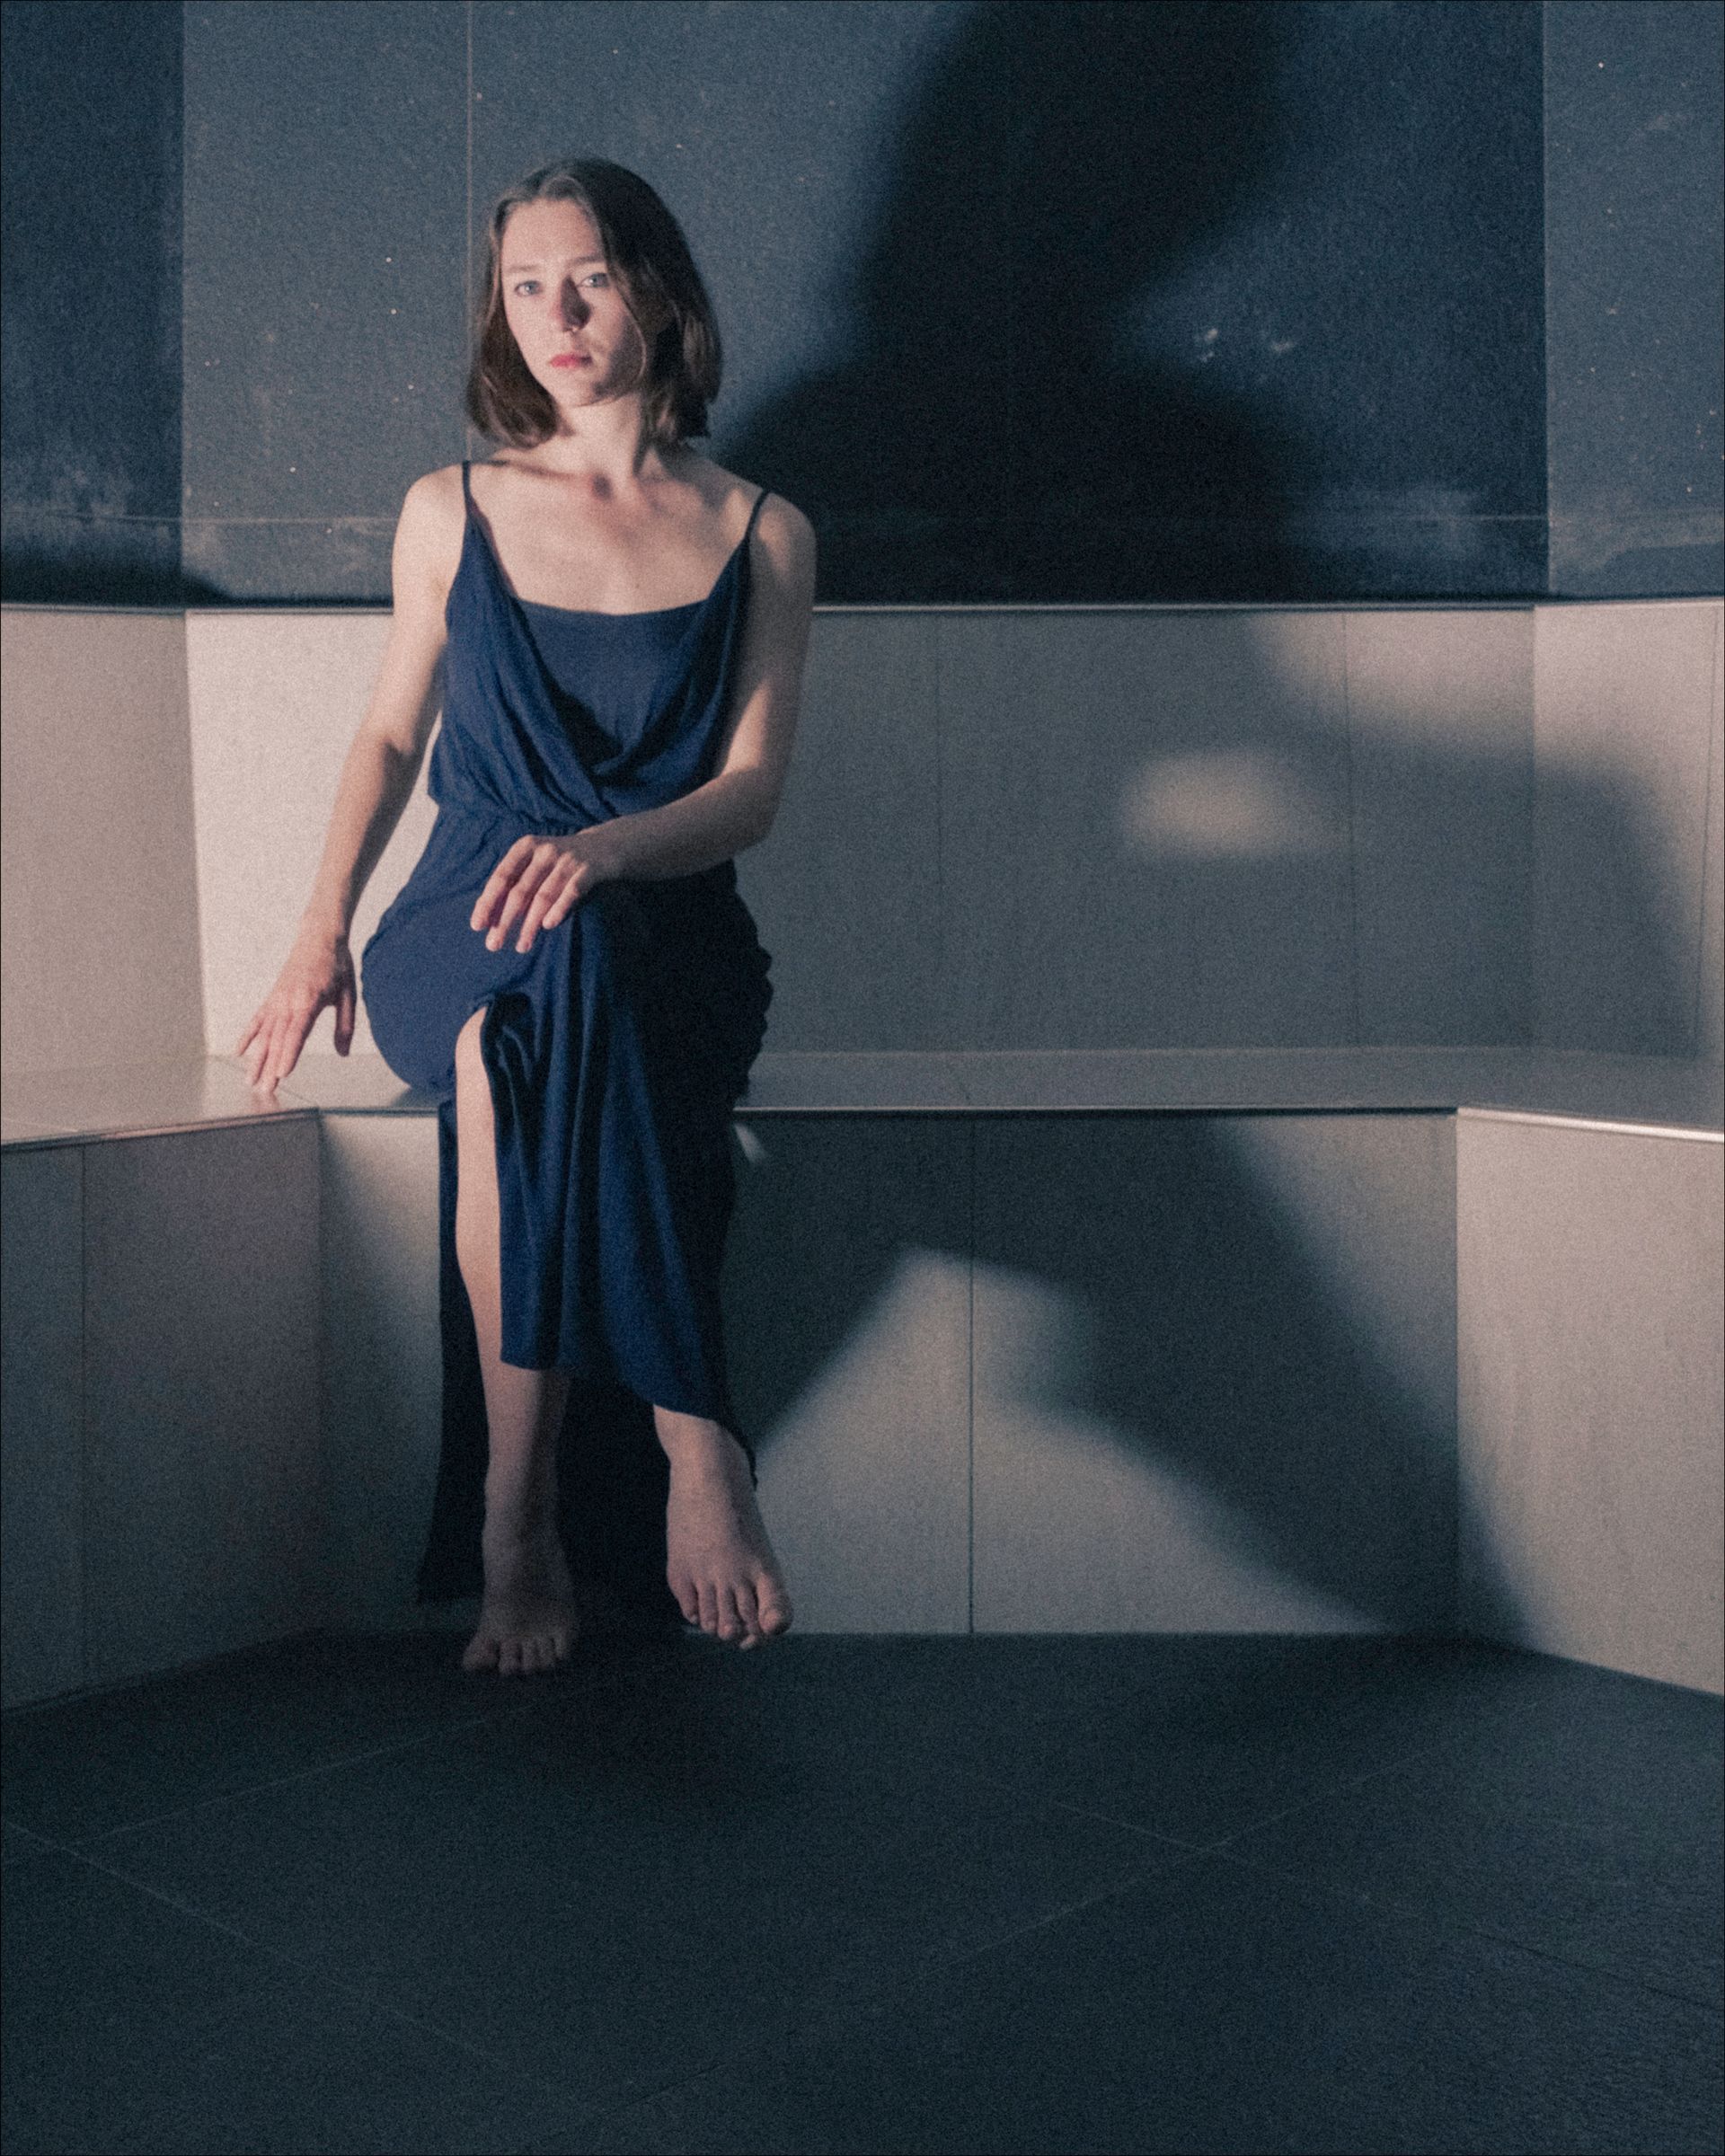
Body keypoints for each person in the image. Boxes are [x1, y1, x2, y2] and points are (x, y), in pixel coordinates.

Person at [234, 155, 816, 1677]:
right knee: (529, 994)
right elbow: (385, 740)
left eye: (590, 279)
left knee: (539, 1031)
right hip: (457, 919)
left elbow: (751, 790)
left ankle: (514, 1527)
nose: (554, 314)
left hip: (667, 929)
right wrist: (316, 936)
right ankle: (701, 1450)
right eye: (524, 287)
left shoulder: (763, 531)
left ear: (656, 291)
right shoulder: (454, 509)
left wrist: (612, 850)